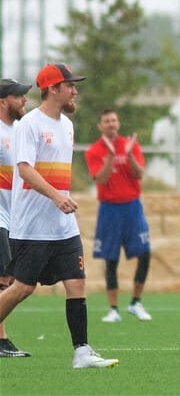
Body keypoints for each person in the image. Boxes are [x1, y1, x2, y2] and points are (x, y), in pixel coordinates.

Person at [0, 64, 118, 368]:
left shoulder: (67, 124)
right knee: (22, 288)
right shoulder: (29, 124)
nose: (75, 90)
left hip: (63, 224)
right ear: (53, 89)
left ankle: (82, 352)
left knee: (76, 282)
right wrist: (56, 196)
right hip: (31, 225)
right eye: (69, 85)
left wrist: (61, 201)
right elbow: (24, 168)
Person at [85, 110, 152, 323]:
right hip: (109, 209)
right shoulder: (94, 151)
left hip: (132, 207)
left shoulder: (131, 145)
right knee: (110, 258)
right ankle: (113, 309)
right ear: (100, 126)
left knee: (144, 253)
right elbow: (101, 179)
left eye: (113, 120)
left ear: (118, 123)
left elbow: (140, 174)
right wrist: (112, 156)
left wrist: (130, 154)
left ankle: (136, 303)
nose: (111, 124)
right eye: (106, 121)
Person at [0, 79, 32, 358]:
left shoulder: (20, 130)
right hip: (0, 216)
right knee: (5, 278)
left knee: (7, 279)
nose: (24, 100)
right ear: (2, 101)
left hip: (14, 217)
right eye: (19, 96)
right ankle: (1, 340)